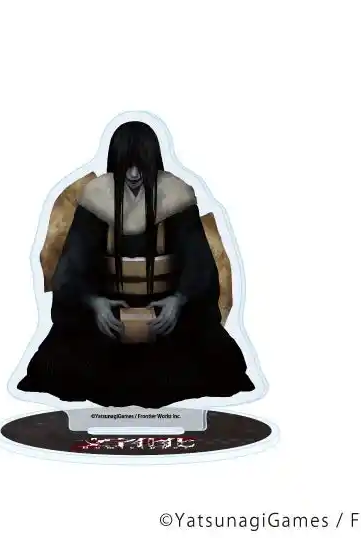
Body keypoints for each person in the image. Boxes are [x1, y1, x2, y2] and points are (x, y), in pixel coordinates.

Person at [16, 120, 255, 408]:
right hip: (109, 316)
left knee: (218, 359)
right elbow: (74, 265)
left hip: (166, 315)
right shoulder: (96, 196)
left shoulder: (176, 195)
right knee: (59, 362)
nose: (133, 174)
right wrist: (95, 303)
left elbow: (198, 264)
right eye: (126, 165)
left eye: (140, 165)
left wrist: (178, 301)